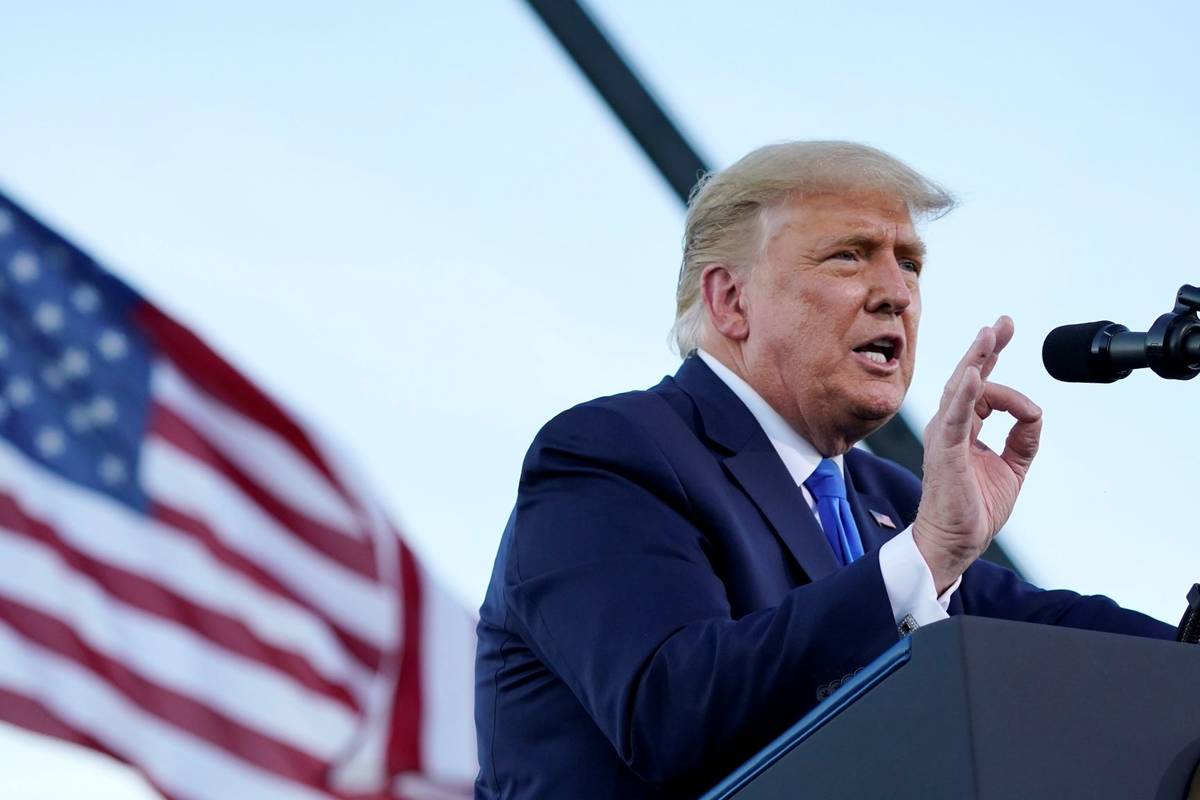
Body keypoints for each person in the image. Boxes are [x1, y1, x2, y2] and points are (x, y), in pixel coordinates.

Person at [472, 141, 1173, 799]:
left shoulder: (888, 500)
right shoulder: (611, 452)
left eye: (910, 263)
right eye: (849, 256)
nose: (895, 291)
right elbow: (671, 710)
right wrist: (927, 554)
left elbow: (1049, 634)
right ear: (731, 301)